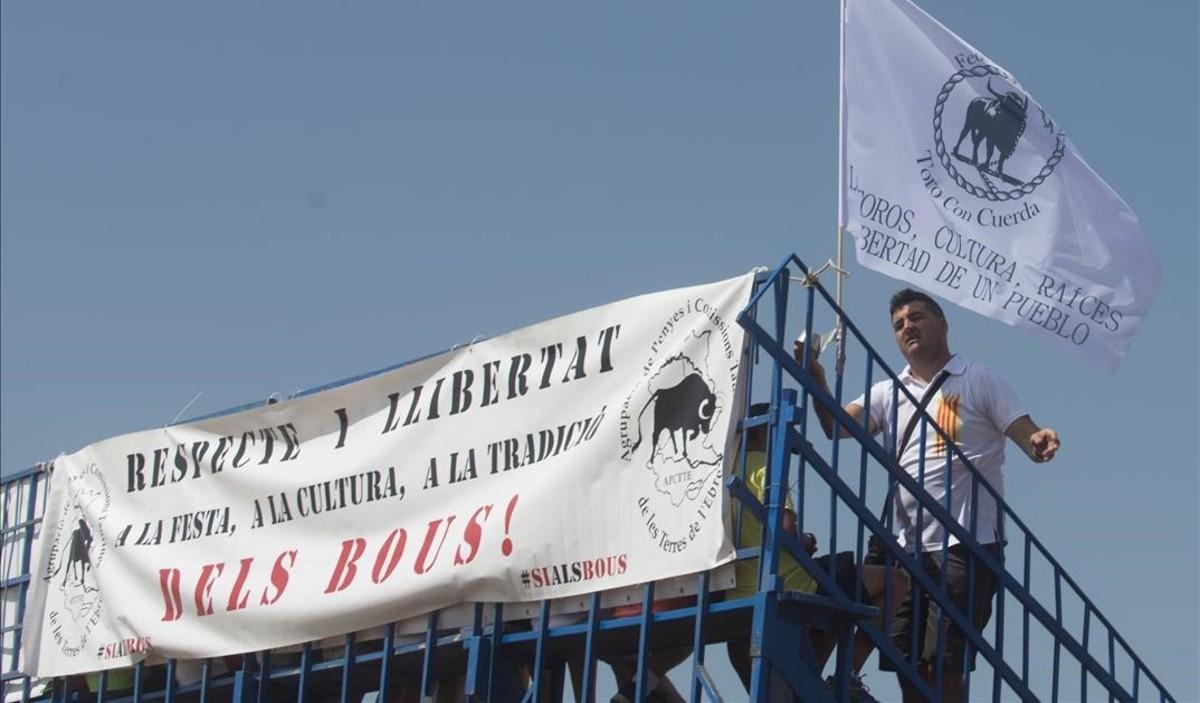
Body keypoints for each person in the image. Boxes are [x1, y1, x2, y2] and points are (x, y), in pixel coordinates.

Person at [795, 288, 1060, 703]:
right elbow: (835, 425)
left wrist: (1036, 440)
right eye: (899, 324)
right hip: (906, 549)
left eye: (916, 317)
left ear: (942, 324)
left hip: (965, 546)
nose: (907, 327)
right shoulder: (888, 392)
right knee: (907, 663)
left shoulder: (977, 378)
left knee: (943, 662)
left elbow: (1022, 428)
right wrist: (815, 376)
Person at [725, 403, 906, 702]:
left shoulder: (723, 474)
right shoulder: (764, 468)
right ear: (760, 432)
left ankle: (812, 681)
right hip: (785, 580)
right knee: (893, 582)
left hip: (736, 591)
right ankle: (846, 676)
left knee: (840, 598)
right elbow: (784, 526)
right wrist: (802, 540)